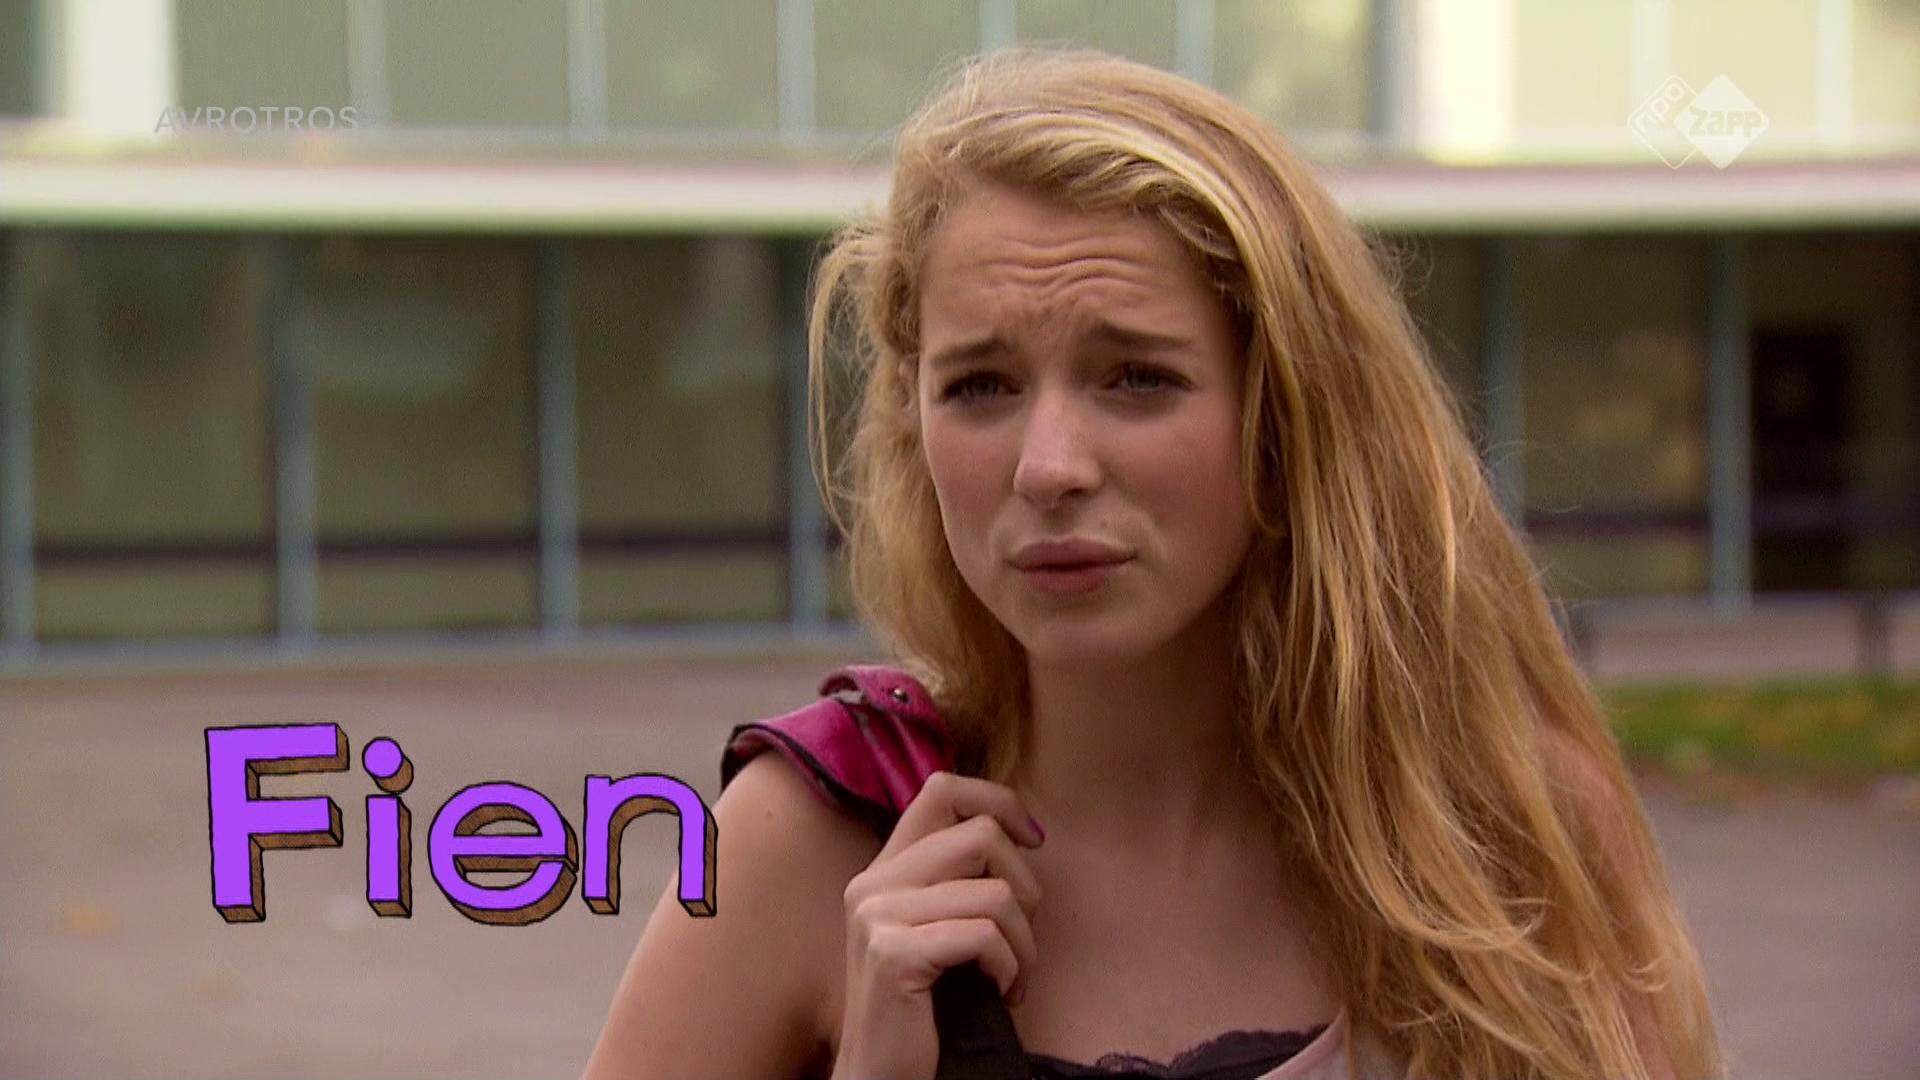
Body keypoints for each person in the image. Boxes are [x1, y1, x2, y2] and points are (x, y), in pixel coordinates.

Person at [582, 47, 1723, 1080]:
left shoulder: (1501, 826)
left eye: (1137, 377)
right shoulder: (808, 841)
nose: (1049, 467)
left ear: (1285, 417)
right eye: (980, 385)